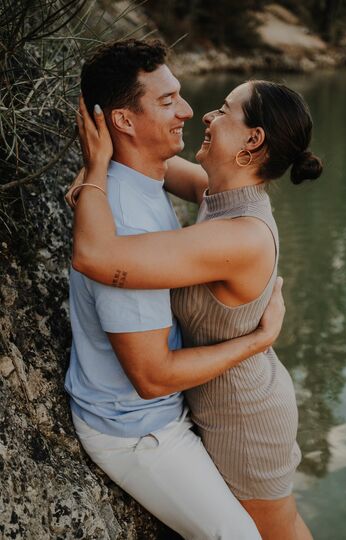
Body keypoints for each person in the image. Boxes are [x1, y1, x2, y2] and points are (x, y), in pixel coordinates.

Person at [71, 66, 323, 538]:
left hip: (242, 417)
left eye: (225, 110)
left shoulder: (240, 236)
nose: (205, 114)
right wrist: (105, 156)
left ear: (252, 141)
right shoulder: (219, 192)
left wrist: (93, 170)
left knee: (278, 530)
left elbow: (93, 254)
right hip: (213, 400)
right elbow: (152, 160)